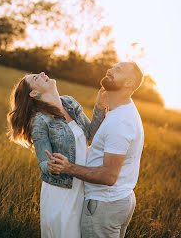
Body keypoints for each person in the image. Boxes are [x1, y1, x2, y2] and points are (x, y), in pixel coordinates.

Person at [46, 61, 144, 238]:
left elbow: (109, 176)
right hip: (116, 201)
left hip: (104, 206)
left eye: (118, 70)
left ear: (129, 83)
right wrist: (100, 107)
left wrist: (68, 168)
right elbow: (100, 141)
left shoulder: (120, 121)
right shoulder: (119, 112)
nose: (110, 70)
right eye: (112, 67)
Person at [7, 71, 107, 238]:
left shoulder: (69, 102)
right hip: (61, 192)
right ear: (33, 93)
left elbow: (91, 136)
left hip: (82, 186)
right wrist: (52, 167)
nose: (42, 73)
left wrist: (100, 106)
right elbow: (43, 162)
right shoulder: (40, 120)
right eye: (35, 78)